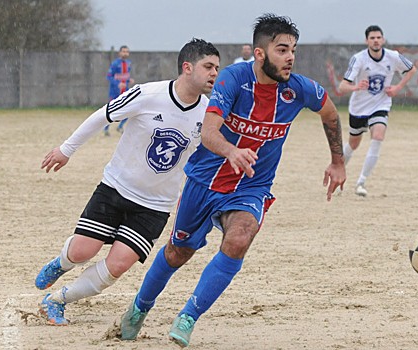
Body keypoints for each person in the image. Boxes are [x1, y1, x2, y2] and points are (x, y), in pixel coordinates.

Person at [118, 13, 346, 347]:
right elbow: (209, 132)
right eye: (282, 50)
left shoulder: (299, 89)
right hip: (204, 181)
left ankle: (188, 316)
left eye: (293, 49)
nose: (290, 57)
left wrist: (337, 161)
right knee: (178, 252)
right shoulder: (232, 80)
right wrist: (232, 151)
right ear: (259, 54)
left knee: (239, 238)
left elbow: (330, 113)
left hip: (251, 187)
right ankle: (140, 307)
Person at [34, 39, 220, 326]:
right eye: (208, 66)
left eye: (217, 68)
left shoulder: (209, 113)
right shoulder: (148, 94)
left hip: (156, 205)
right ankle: (61, 263)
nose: (214, 73)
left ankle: (57, 301)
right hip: (117, 188)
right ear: (187, 67)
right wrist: (66, 149)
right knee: (83, 251)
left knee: (118, 265)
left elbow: (208, 157)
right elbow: (102, 116)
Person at [338, 25, 416, 197]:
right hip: (359, 108)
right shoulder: (358, 59)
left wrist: (398, 87)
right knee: (353, 144)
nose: (376, 40)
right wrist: (356, 87)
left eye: (378, 37)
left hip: (380, 104)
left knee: (378, 135)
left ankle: (361, 182)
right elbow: (342, 86)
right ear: (367, 41)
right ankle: (337, 173)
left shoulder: (393, 56)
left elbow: (411, 69)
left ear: (383, 40)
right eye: (372, 38)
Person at [104, 45, 135, 136]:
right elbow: (109, 76)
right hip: (115, 91)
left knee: (130, 108)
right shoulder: (115, 64)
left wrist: (129, 80)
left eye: (127, 52)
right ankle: (106, 128)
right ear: (120, 53)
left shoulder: (128, 63)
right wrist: (117, 84)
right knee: (112, 110)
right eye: (123, 51)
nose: (125, 53)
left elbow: (124, 75)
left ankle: (120, 126)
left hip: (125, 90)